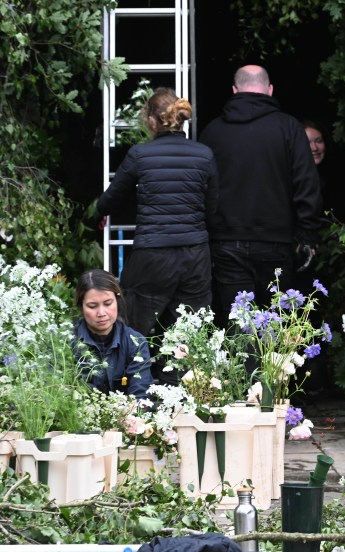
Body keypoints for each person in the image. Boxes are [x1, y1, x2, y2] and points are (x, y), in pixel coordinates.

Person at [96, 88, 218, 383]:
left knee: (133, 326)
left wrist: (96, 214)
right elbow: (214, 209)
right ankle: (185, 400)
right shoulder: (204, 154)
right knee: (189, 333)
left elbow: (113, 198)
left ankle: (129, 395)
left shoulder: (140, 154)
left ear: (152, 121)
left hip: (153, 255)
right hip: (194, 255)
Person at [199, 65, 322, 324]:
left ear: (234, 90)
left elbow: (201, 188)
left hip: (226, 241)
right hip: (275, 242)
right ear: (269, 89)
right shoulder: (288, 128)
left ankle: (242, 366)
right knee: (275, 324)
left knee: (238, 326)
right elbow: (307, 184)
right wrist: (307, 234)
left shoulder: (212, 132)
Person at [73, 269, 154, 399]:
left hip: (126, 416)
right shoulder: (63, 342)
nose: (101, 313)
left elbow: (141, 395)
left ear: (117, 300)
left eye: (108, 303)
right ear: (81, 306)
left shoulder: (135, 342)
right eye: (92, 306)